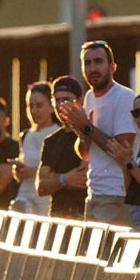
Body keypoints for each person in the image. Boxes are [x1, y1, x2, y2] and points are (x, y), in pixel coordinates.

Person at [55, 40, 135, 227]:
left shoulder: (124, 96)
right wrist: (81, 132)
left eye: (98, 61)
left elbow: (123, 148)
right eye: (87, 63)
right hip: (94, 193)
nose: (93, 68)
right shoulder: (89, 97)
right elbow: (85, 153)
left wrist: (87, 127)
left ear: (112, 66)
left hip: (116, 193)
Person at [102, 92, 140, 232]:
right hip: (134, 212)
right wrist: (124, 165)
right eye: (136, 112)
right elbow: (130, 187)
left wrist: (129, 163)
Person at [37, 76, 89, 219]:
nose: (61, 105)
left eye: (66, 99)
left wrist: (54, 178)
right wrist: (64, 179)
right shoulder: (51, 141)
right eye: (57, 100)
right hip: (57, 215)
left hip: (82, 214)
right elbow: (41, 187)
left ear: (79, 101)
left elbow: (82, 179)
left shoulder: (89, 132)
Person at [10, 82, 59, 215]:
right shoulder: (25, 135)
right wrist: (18, 171)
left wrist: (33, 172)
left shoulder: (57, 134)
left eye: (39, 106)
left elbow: (59, 171)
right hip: (24, 198)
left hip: (44, 200)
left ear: (51, 106)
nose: (34, 111)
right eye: (30, 106)